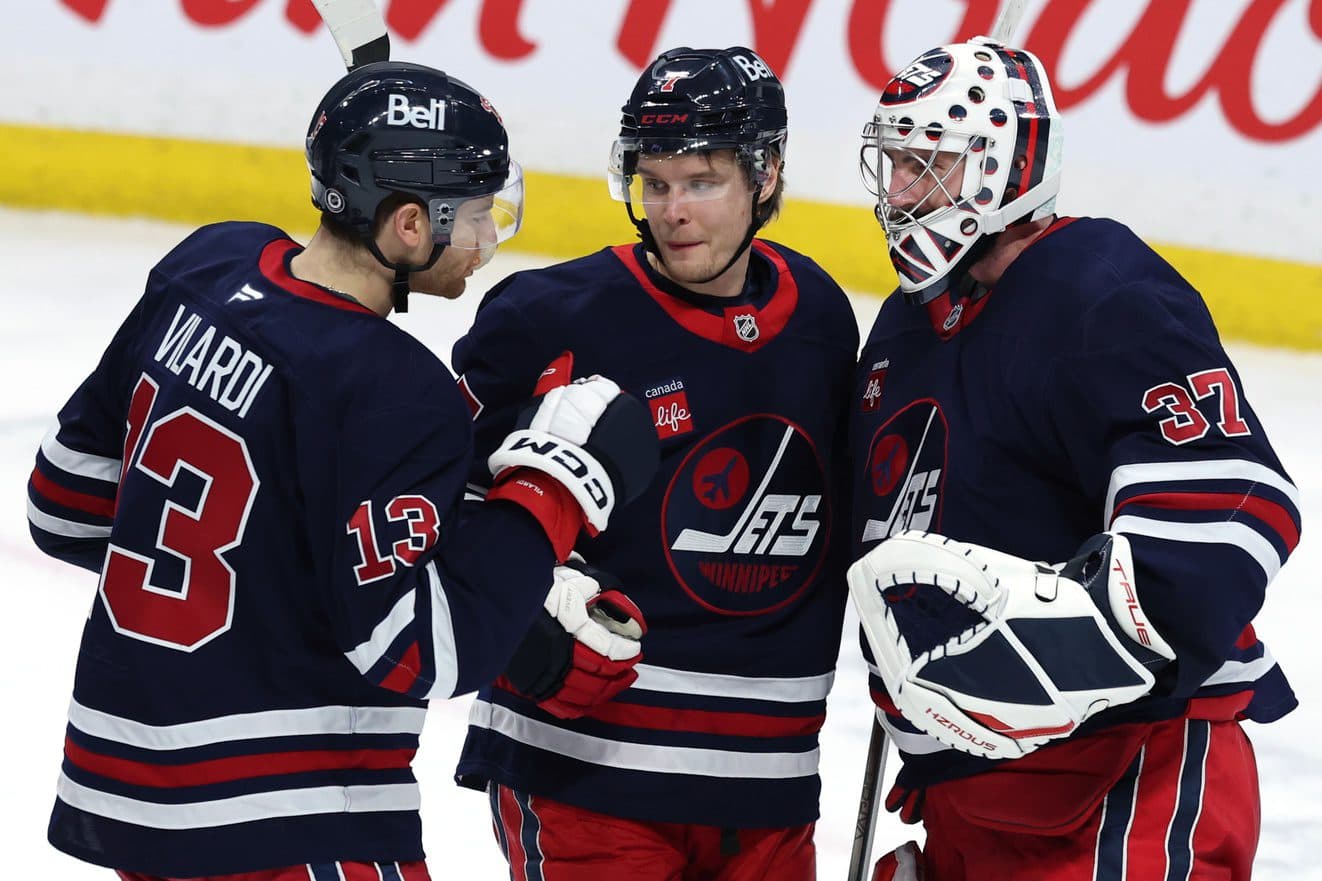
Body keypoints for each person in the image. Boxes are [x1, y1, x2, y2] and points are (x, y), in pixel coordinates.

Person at [24, 60, 656, 881]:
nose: (487, 242)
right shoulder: (394, 387)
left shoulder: (209, 265)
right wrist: (549, 491)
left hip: (127, 786)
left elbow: (64, 505)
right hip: (289, 812)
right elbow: (422, 652)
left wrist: (279, 565)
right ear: (404, 225)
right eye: (474, 215)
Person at [846, 37, 1301, 880]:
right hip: (970, 801)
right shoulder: (902, 332)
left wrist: (1041, 668)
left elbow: (1236, 509)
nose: (902, 193)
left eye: (929, 165)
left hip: (1124, 778)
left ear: (1000, 167)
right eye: (895, 163)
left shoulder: (1100, 289)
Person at [450, 46, 859, 881]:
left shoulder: (820, 314)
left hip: (768, 782)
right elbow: (435, 507)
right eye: (656, 181)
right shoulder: (548, 316)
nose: (673, 209)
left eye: (702, 181)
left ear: (767, 174)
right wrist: (519, 609)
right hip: (587, 771)